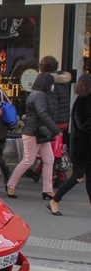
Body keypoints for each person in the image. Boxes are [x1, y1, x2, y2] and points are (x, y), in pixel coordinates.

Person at [6, 73, 61, 199]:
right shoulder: (41, 95)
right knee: (30, 160)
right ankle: (11, 184)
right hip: (35, 131)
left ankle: (47, 189)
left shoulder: (36, 94)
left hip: (36, 131)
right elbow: (42, 113)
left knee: (47, 159)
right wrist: (55, 129)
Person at [48, 73, 91, 216]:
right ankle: (54, 200)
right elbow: (84, 124)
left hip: (85, 147)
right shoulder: (84, 100)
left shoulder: (83, 99)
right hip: (83, 147)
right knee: (77, 177)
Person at [29, 56, 72, 187]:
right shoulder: (62, 81)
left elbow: (53, 104)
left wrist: (50, 125)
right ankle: (38, 171)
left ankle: (61, 177)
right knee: (51, 148)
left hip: (55, 120)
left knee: (50, 149)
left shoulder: (50, 82)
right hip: (63, 120)